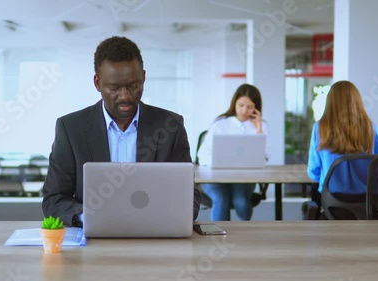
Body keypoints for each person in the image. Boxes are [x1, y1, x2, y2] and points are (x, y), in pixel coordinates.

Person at [42, 36, 201, 226]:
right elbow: (54, 200)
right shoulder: (71, 128)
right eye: (114, 88)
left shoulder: (170, 125)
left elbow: (189, 196)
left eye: (133, 86)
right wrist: (90, 218)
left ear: (143, 77)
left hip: (154, 233)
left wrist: (163, 215)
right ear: (97, 83)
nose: (125, 96)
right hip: (93, 241)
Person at [307, 80, 378, 218]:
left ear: (330, 103)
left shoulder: (320, 129)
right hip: (369, 208)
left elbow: (313, 173)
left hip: (334, 206)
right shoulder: (373, 130)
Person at [197, 84, 269, 221]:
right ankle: (217, 238)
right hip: (215, 177)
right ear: (234, 103)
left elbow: (264, 157)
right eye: (241, 105)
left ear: (256, 108)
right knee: (221, 198)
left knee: (240, 202)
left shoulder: (262, 125)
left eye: (249, 107)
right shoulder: (220, 123)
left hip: (243, 177)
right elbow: (202, 154)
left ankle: (245, 236)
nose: (244, 110)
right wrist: (218, 163)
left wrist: (259, 129)